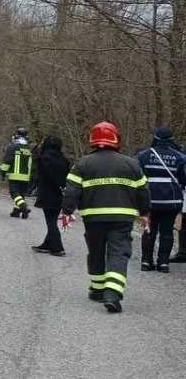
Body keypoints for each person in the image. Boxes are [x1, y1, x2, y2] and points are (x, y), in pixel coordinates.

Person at [61, 122, 151, 313]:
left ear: (93, 139)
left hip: (93, 218)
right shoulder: (132, 164)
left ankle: (97, 290)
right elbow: (143, 192)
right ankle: (112, 294)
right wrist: (144, 213)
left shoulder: (82, 164)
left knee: (96, 251)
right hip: (122, 218)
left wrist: (67, 212)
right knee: (119, 253)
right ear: (116, 139)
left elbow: (71, 191)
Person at [135, 127, 186, 272]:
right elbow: (183, 180)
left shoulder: (143, 155)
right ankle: (163, 263)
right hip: (171, 201)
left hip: (150, 200)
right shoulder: (179, 157)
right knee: (167, 232)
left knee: (149, 230)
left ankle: (146, 262)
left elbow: (139, 177)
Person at [31, 135, 70, 256]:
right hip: (60, 194)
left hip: (47, 193)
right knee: (52, 219)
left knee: (51, 222)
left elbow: (39, 175)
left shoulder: (44, 159)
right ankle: (47, 244)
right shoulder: (64, 159)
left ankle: (57, 248)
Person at [0, 127, 34, 219]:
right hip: (26, 176)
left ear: (16, 135)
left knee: (14, 193)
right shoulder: (29, 148)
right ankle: (17, 211)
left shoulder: (13, 147)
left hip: (15, 176)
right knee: (21, 194)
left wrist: (3, 172)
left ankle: (24, 207)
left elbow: (7, 161)